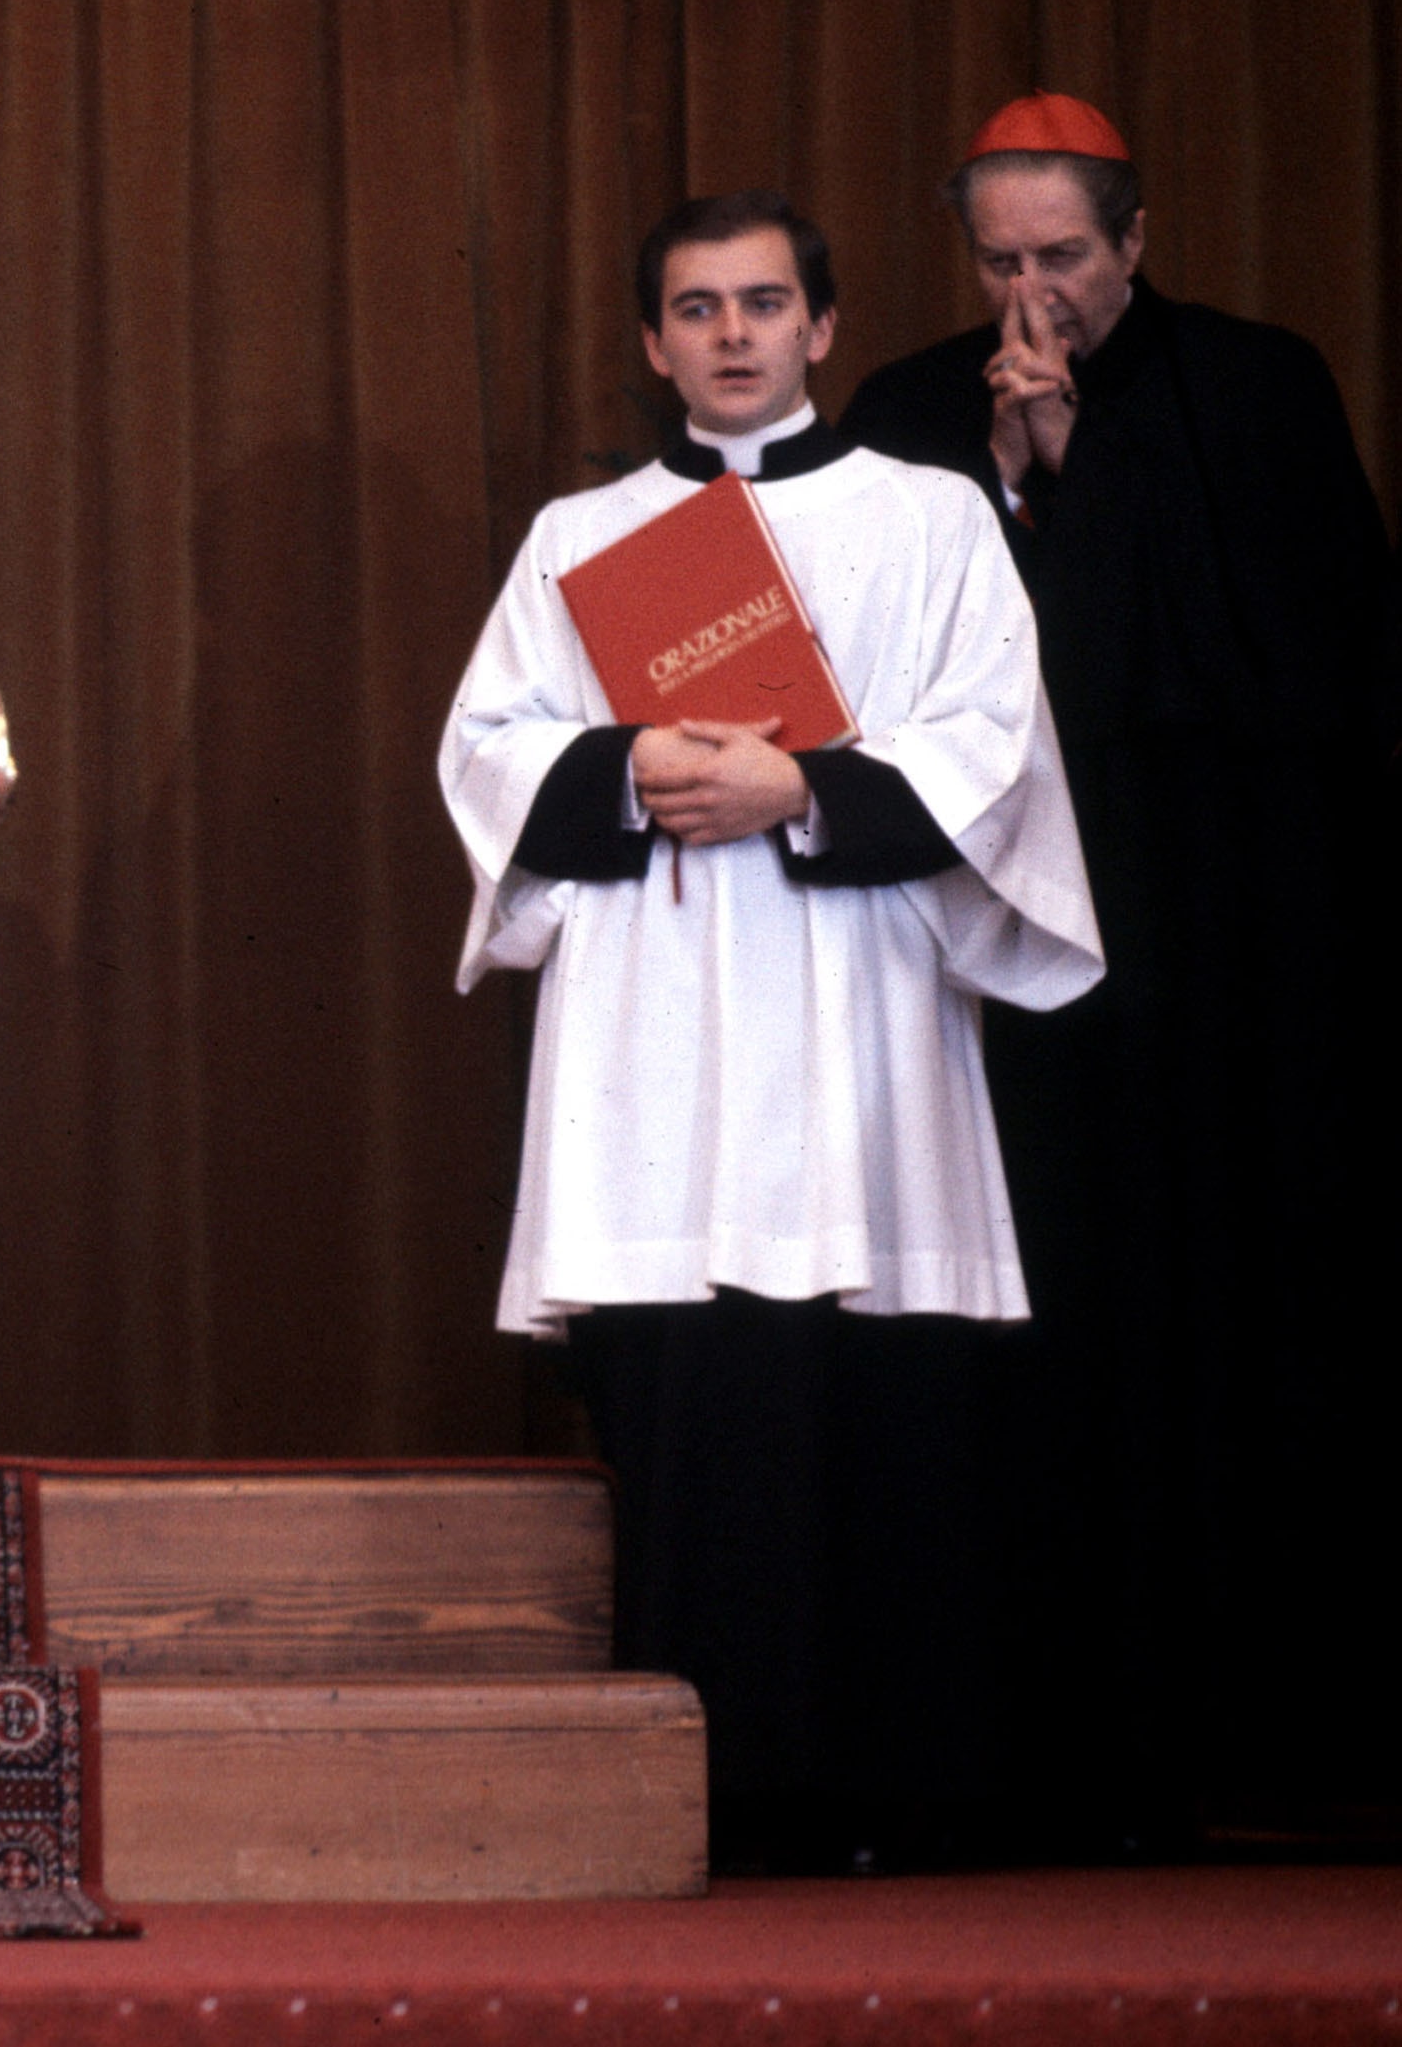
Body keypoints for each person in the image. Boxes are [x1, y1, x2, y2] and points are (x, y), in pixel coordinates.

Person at [439, 193, 1102, 1869]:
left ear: (822, 325)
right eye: (695, 307)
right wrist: (630, 771)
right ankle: (696, 1803)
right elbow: (490, 747)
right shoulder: (578, 537)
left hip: (855, 998)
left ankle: (886, 1795)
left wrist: (802, 782)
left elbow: (992, 737)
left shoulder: (934, 514)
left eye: (763, 302)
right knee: (688, 1392)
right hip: (656, 1013)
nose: (732, 333)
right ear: (654, 341)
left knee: (871, 1394)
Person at [841, 94, 1402, 1850]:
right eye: (1001, 260)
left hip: (1227, 950)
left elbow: (1313, 663)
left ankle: (1255, 1752)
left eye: (1065, 257)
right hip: (1005, 973)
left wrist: (1088, 473)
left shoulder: (1257, 382)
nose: (1034, 295)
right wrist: (1006, 482)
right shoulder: (913, 412)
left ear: (1135, 242)